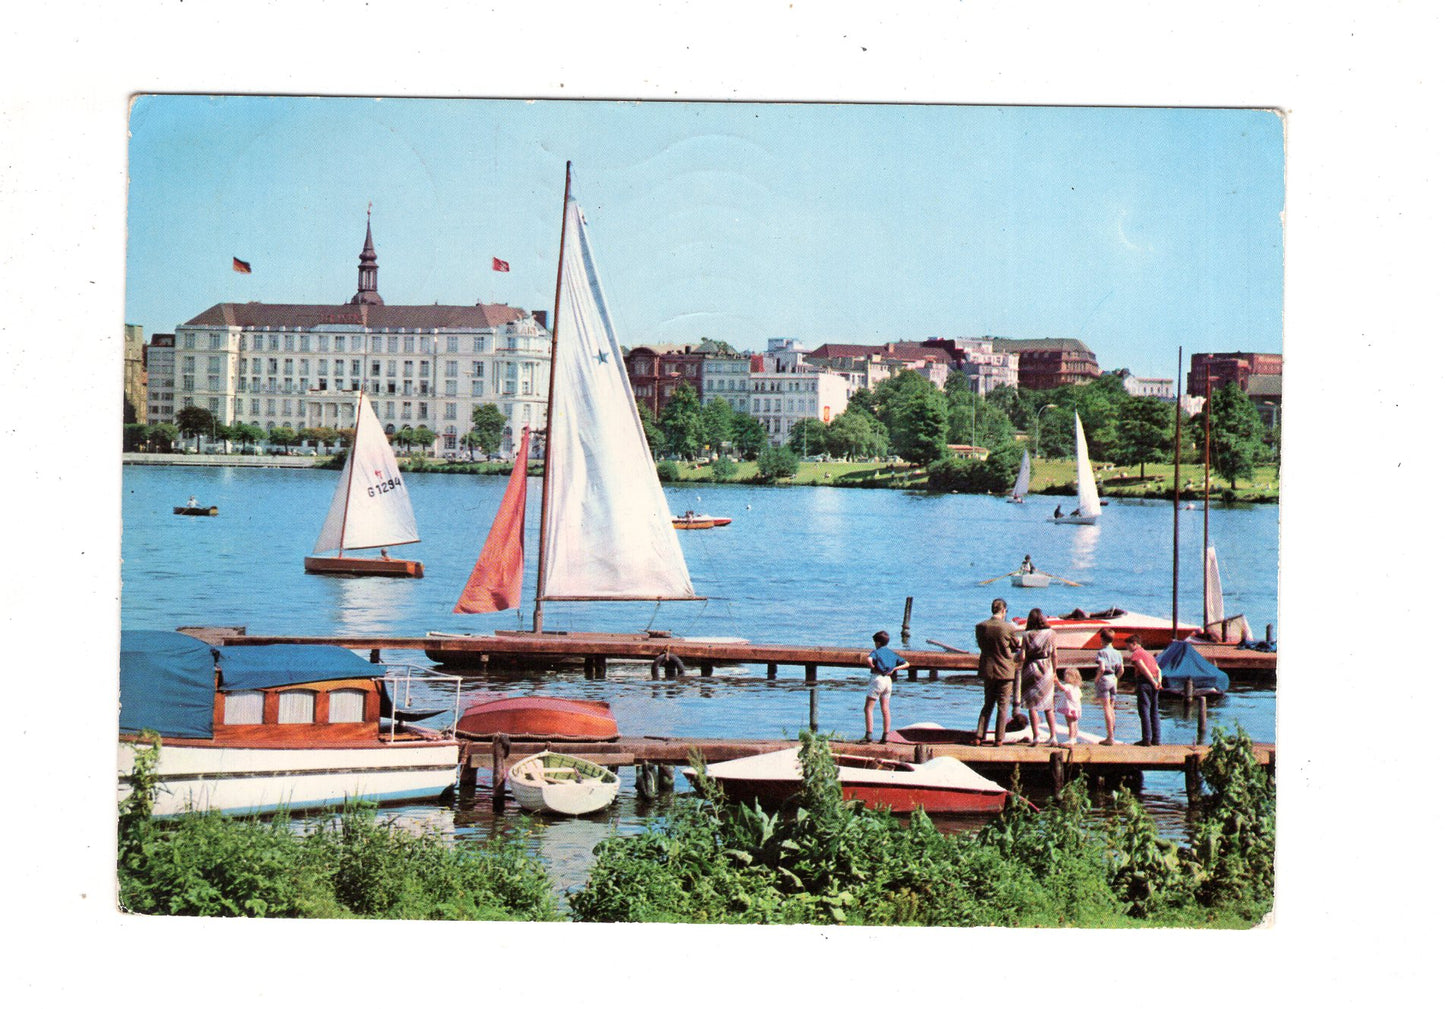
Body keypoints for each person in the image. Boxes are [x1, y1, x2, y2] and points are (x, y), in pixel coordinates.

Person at [974, 598, 1020, 746]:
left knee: (987, 704)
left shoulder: (981, 626)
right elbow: (1015, 645)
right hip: (1005, 670)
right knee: (1003, 705)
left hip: (988, 669)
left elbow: (980, 645)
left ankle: (979, 735)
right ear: (1004, 610)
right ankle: (999, 738)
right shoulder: (1008, 628)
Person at [1019, 607, 1059, 745]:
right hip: (1046, 667)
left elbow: (1023, 656)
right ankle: (1053, 736)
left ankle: (1036, 736)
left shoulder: (1026, 635)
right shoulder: (1051, 633)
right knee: (1048, 704)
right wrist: (1054, 671)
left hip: (1030, 668)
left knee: (1032, 705)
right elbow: (1054, 655)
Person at [861, 630, 907, 743]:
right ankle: (885, 736)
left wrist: (872, 666)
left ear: (877, 642)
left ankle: (869, 735)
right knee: (885, 709)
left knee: (868, 708)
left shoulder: (876, 652)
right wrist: (894, 669)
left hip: (877, 679)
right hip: (888, 680)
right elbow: (906, 663)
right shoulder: (891, 653)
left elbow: (868, 659)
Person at [1126, 634, 1163, 745]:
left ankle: (1146, 739)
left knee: (1144, 711)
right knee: (1154, 712)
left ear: (1135, 644)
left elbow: (1143, 668)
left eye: (1128, 646)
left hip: (1145, 682)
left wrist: (1151, 681)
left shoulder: (1136, 654)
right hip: (1156, 683)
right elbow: (1158, 669)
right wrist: (1158, 682)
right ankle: (1156, 739)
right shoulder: (1149, 654)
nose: (1127, 648)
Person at [1093, 628, 1124, 745]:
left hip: (1105, 678)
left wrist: (1096, 679)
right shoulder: (1117, 652)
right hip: (1113, 679)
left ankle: (1109, 737)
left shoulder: (1101, 652)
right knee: (1111, 707)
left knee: (1106, 707)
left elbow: (1101, 668)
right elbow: (1121, 669)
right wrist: (1116, 677)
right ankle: (1113, 735)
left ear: (1102, 639)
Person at [1055, 667, 1083, 745]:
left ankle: (1071, 738)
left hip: (1070, 708)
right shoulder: (1077, 687)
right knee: (1075, 722)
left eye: (1066, 675)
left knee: (1070, 723)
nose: (1064, 677)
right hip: (1076, 708)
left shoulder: (1068, 686)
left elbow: (1062, 688)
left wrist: (1057, 681)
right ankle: (1074, 738)